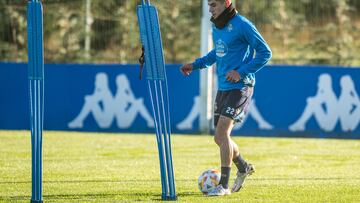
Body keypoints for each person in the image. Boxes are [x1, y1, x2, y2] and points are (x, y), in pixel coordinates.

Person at [180, 0, 272, 196]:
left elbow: (265, 53)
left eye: (213, 5)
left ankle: (223, 186)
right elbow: (217, 53)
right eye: (209, 6)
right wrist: (195, 65)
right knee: (219, 138)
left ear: (226, 3)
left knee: (222, 134)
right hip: (223, 88)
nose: (210, 9)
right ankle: (243, 166)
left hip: (241, 87)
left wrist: (241, 72)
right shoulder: (218, 26)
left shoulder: (243, 25)